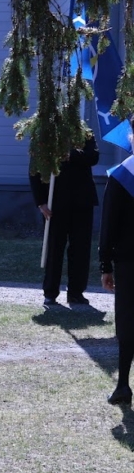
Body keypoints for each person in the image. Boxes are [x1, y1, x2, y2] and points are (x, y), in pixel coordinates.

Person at [31, 134, 99, 307]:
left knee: (80, 248)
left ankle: (76, 292)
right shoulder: (46, 133)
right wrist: (41, 201)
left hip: (82, 201)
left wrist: (70, 154)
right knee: (54, 248)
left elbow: (93, 157)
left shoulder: (84, 133)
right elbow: (34, 168)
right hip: (55, 202)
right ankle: (50, 292)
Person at [100, 153, 134, 405]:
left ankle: (123, 384)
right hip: (128, 259)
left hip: (128, 260)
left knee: (128, 322)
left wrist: (105, 264)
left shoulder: (122, 175)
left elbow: (109, 221)